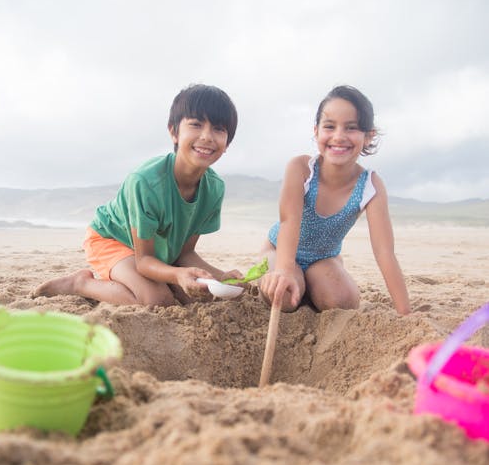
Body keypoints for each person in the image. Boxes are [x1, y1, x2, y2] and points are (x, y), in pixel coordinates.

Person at [34, 84, 241, 306]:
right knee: (158, 300)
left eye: (218, 129)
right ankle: (81, 283)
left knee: (192, 297)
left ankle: (131, 281)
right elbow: (144, 261)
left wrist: (221, 276)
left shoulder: (214, 188)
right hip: (111, 239)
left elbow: (185, 254)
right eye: (196, 125)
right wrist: (176, 275)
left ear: (227, 142)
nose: (207, 136)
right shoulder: (146, 182)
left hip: (151, 252)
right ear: (174, 132)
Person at [260, 85, 410, 315]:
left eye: (351, 128)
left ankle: (312, 281)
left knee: (343, 301)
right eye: (329, 126)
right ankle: (296, 281)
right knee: (285, 297)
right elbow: (290, 221)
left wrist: (405, 313)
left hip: (323, 259)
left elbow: (384, 252)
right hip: (280, 250)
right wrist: (283, 270)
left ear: (369, 136)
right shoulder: (301, 168)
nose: (339, 136)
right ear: (316, 131)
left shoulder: (371, 186)